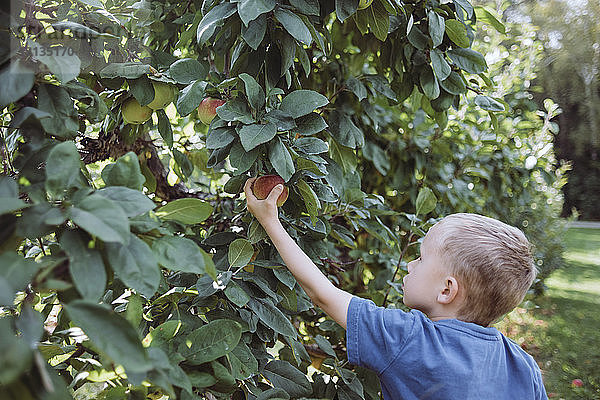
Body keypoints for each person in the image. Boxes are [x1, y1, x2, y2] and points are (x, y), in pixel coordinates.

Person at [243, 178, 548, 400]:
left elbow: (322, 293)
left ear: (447, 290)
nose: (410, 265)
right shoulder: (523, 365)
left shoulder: (410, 338)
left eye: (421, 257)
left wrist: (270, 221)